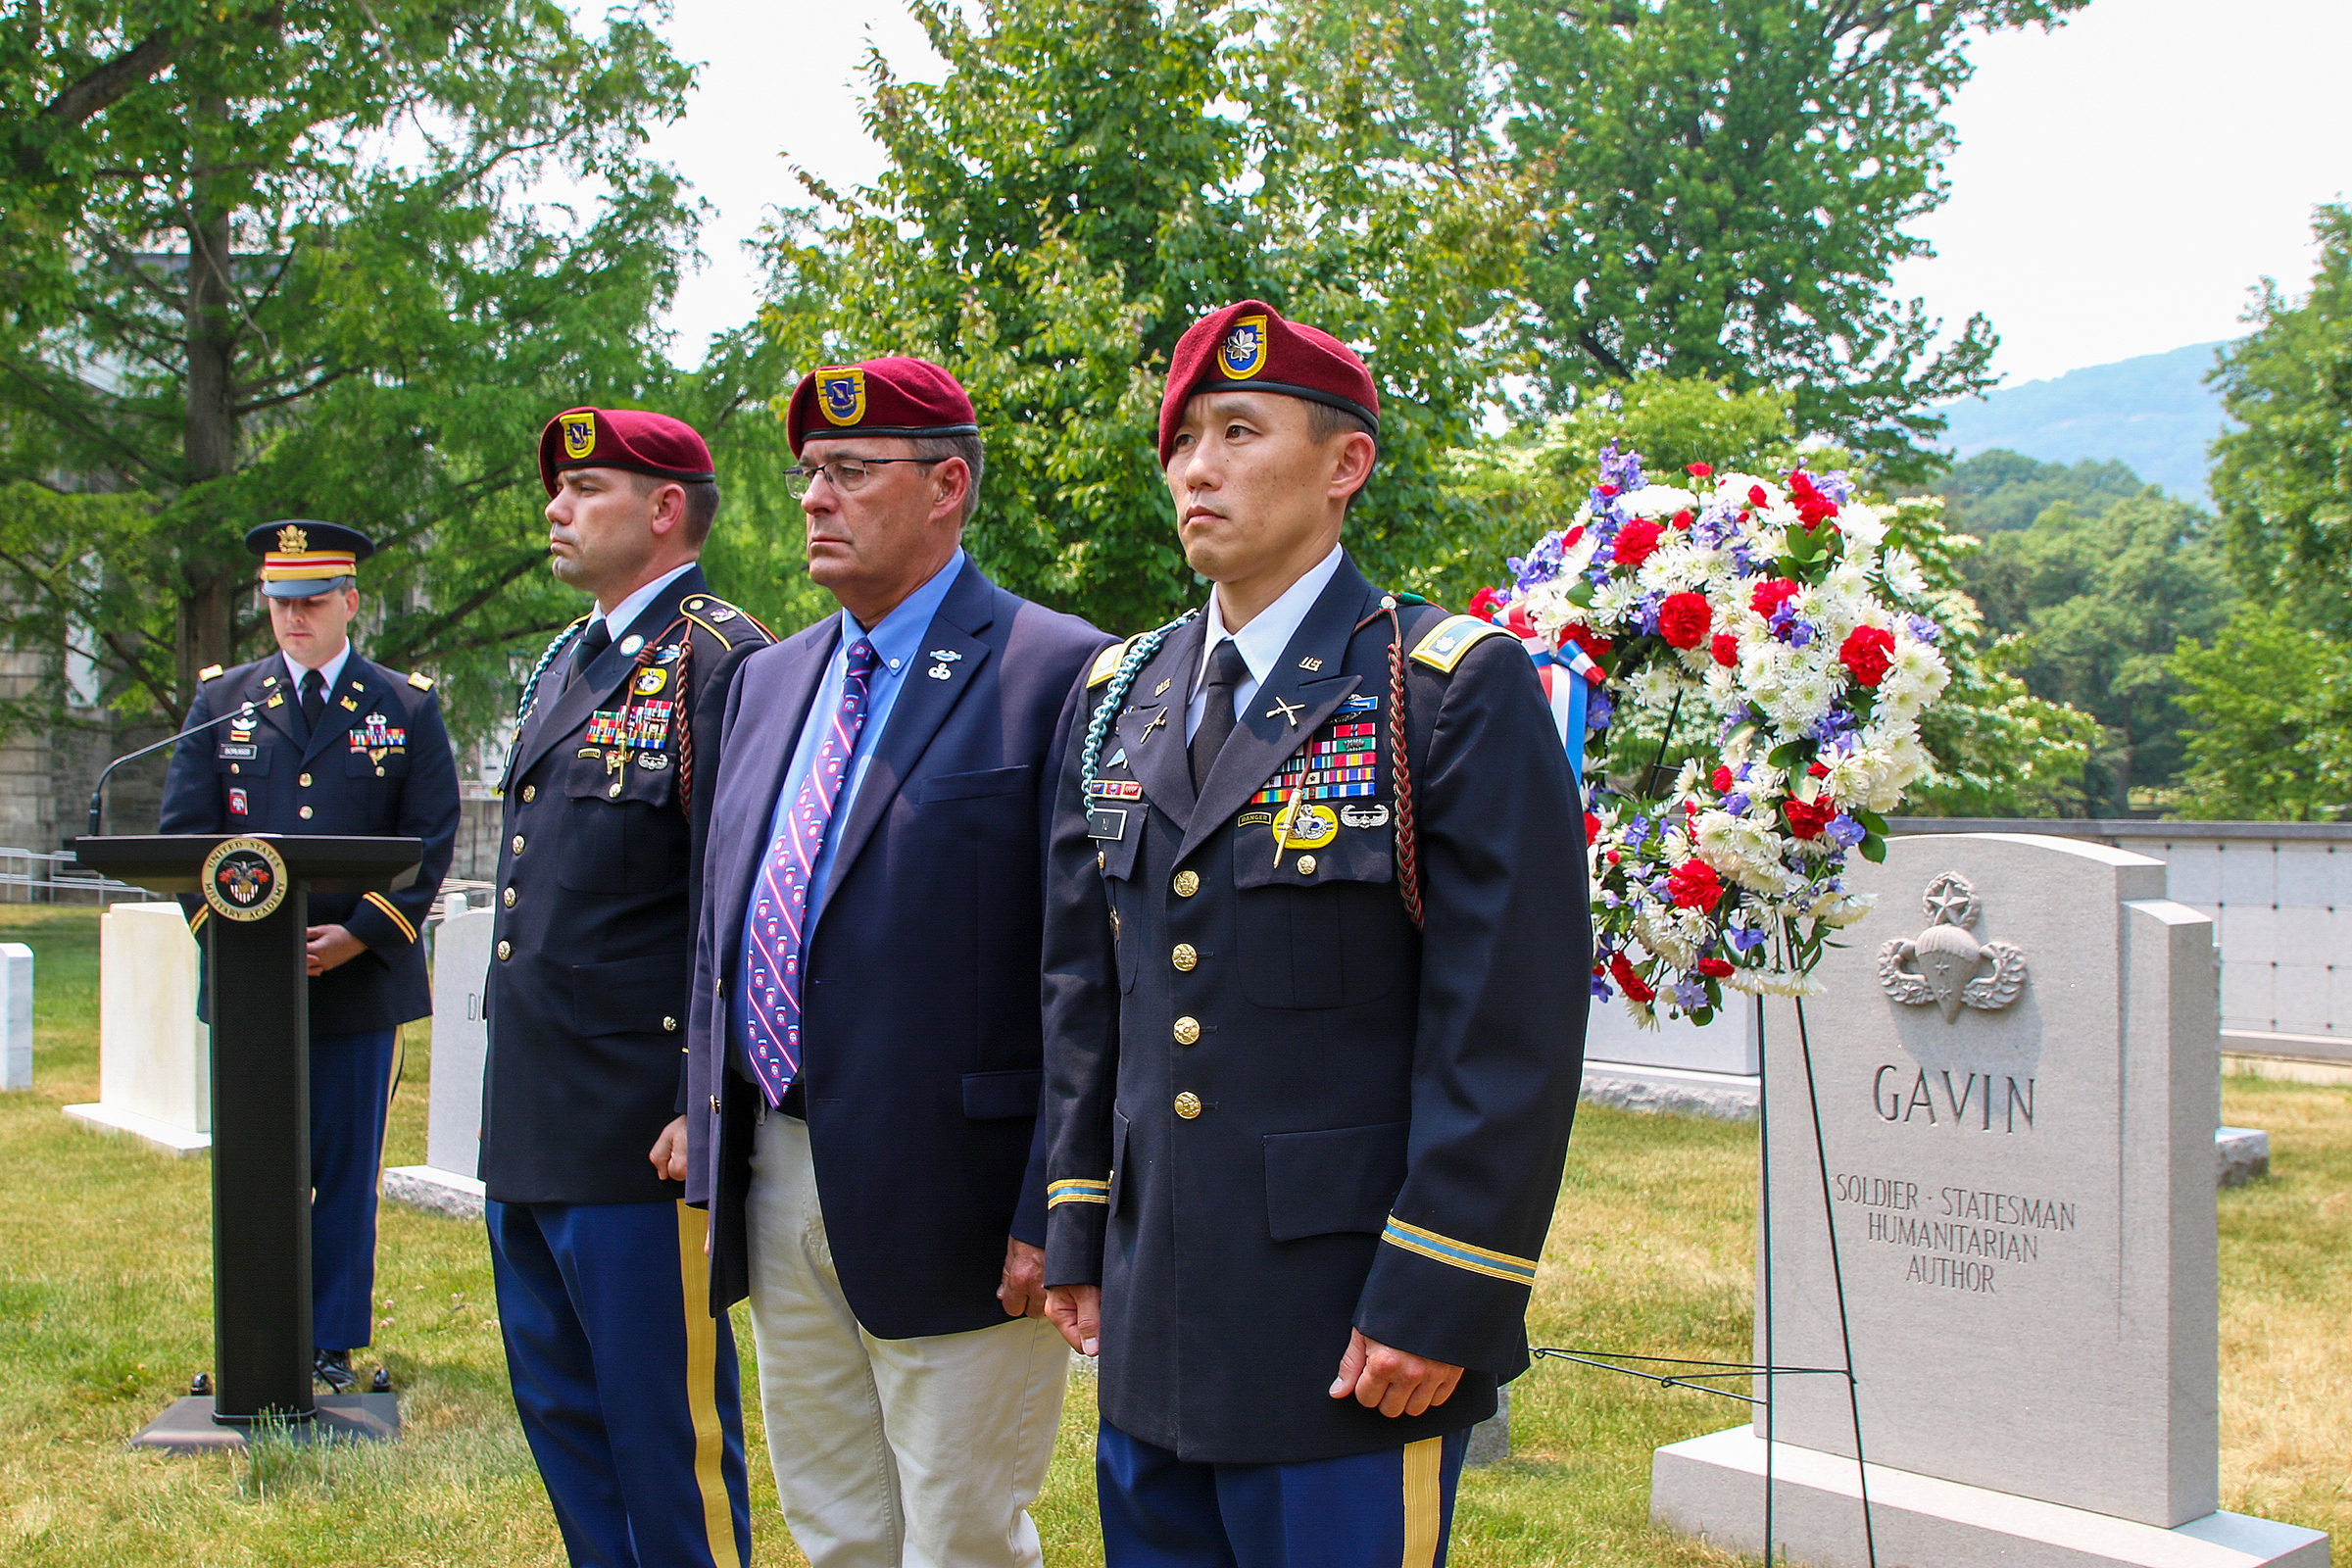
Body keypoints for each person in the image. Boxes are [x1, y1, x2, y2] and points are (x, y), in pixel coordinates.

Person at [1037, 301, 1591, 1567]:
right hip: (1156, 1316)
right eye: (1183, 442)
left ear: (1347, 466)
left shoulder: (1444, 688)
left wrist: (1441, 1293)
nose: (1198, 469)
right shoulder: (1123, 694)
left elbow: (1506, 1031)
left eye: (1240, 431)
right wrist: (1077, 1222)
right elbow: (1089, 987)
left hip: (1350, 1332)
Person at [682, 357, 1109, 1568]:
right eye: (811, 472)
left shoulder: (1055, 670)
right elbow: (727, 921)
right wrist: (703, 1115)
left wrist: (1054, 1203)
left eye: (852, 472)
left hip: (962, 1196)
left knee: (961, 1531)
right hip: (779, 1166)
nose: (817, 497)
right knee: (833, 1523)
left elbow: (1086, 971)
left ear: (947, 488)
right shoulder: (766, 683)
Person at [481, 408, 772, 1568]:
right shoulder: (571, 656)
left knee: (667, 1438)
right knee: (564, 1416)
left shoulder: (721, 657)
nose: (555, 507)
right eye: (556, 487)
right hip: (539, 1115)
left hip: (644, 1132)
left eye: (584, 487)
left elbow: (748, 902)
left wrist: (707, 1098)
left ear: (663, 510)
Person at [159, 519, 460, 1395]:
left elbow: (429, 841)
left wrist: (359, 934)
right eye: (280, 603)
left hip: (356, 987)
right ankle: (254, 1332)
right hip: (255, 988)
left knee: (341, 1173)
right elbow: (187, 838)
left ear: (350, 603)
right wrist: (242, 938)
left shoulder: (403, 707)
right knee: (256, 1167)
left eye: (313, 602)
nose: (294, 619)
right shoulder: (224, 705)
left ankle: (329, 1341)